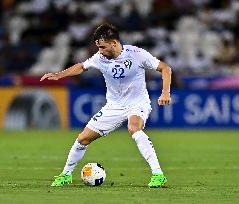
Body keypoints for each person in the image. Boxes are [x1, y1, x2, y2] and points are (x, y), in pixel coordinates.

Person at [40, 23, 172, 188]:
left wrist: (165, 92)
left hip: (137, 103)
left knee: (134, 128)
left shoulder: (137, 54)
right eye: (98, 47)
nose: (100, 51)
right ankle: (65, 175)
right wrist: (59, 75)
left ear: (114, 43)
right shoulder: (100, 58)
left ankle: (158, 174)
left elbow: (165, 68)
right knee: (82, 138)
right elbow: (82, 66)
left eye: (102, 47)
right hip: (114, 106)